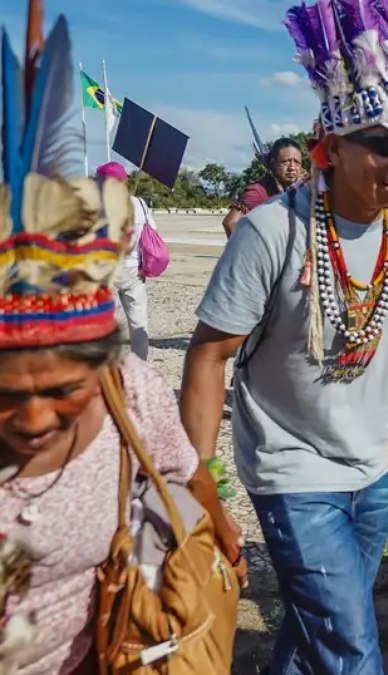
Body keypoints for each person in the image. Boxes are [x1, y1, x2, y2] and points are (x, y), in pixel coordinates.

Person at [181, 3, 388, 671]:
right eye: (386, 144)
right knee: (350, 644)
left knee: (314, 625)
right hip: (291, 469)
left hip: (371, 472)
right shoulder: (272, 232)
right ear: (334, 144)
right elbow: (208, 353)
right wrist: (199, 473)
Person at [0, 8, 244, 672]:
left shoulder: (129, 385)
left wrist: (220, 532)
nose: (33, 418)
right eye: (6, 393)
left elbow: (184, 469)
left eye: (62, 390)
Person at [97, 161, 156, 361]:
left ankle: (105, 365)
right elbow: (151, 233)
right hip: (134, 270)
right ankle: (141, 364)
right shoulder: (139, 203)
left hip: (107, 271)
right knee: (138, 322)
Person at [222, 137, 306, 237]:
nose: (292, 167)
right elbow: (230, 223)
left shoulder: (300, 187)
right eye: (286, 162)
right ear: (273, 162)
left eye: (297, 162)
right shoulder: (258, 191)